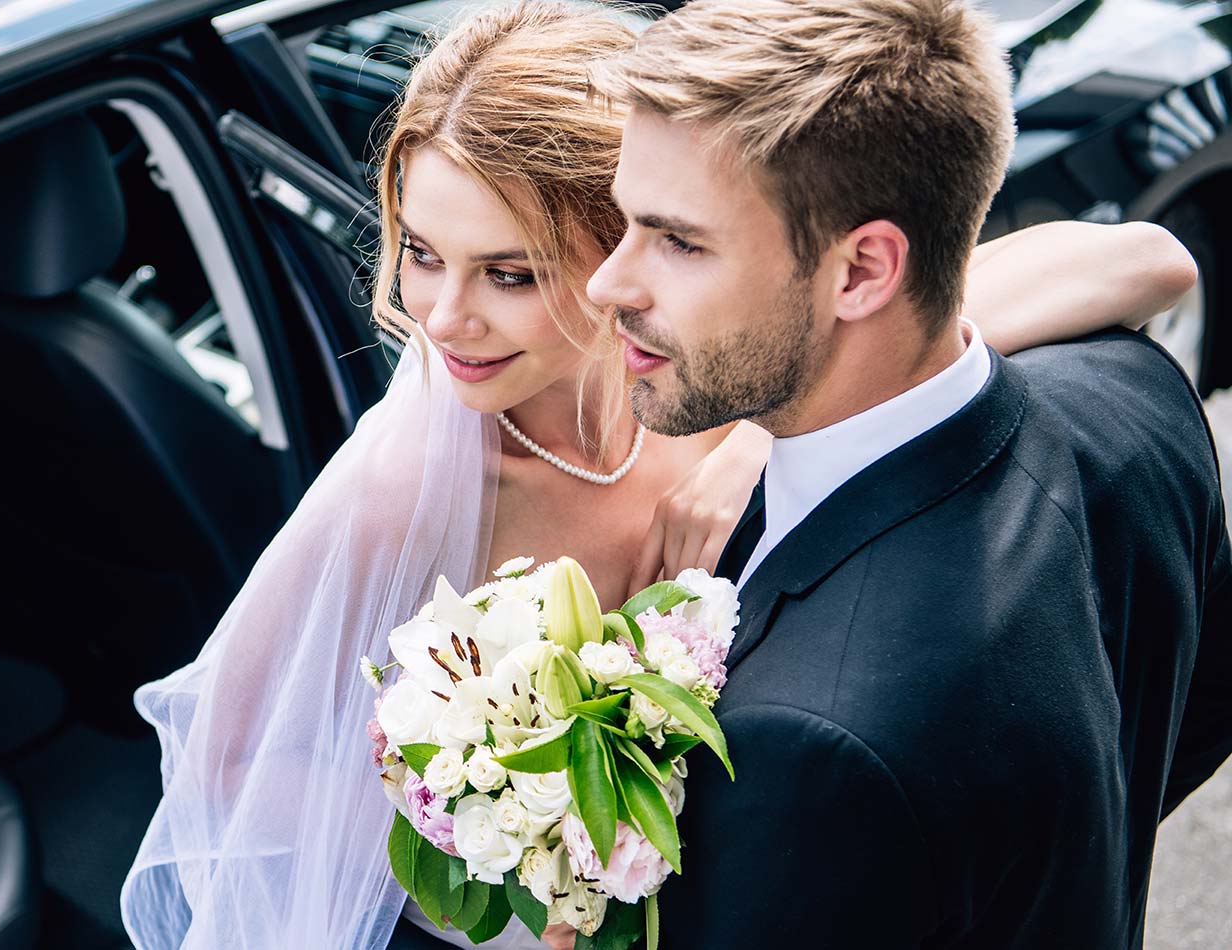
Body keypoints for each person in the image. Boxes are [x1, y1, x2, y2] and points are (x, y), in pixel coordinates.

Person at [118, 3, 1203, 948]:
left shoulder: (730, 372)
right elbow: (229, 765)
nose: (443, 319)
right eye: (421, 252)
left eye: (509, 271)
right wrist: (504, 848)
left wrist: (745, 444)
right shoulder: (408, 487)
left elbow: (1140, 262)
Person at [578, 0, 1232, 946]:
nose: (610, 283)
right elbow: (1195, 703)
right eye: (625, 224)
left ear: (861, 273)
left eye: (678, 241)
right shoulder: (1136, 401)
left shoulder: (814, 750)